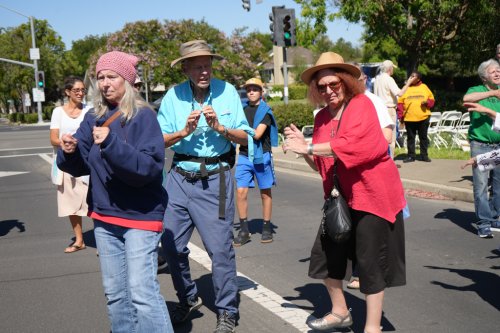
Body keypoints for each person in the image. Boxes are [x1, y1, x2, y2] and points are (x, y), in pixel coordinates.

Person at [283, 52, 406, 333]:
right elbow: (321, 165)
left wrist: (310, 146)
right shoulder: (321, 118)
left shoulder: (361, 105)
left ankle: (372, 327)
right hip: (341, 198)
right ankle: (340, 312)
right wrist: (303, 148)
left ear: (347, 81)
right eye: (322, 87)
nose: (328, 91)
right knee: (326, 256)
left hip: (373, 195)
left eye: (334, 84)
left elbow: (356, 145)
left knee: (371, 263)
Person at [57, 51, 173, 332]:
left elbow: (148, 167)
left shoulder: (143, 116)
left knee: (142, 293)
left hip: (141, 217)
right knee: (116, 295)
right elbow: (82, 164)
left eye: (112, 77)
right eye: (100, 78)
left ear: (128, 81)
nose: (105, 83)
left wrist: (112, 144)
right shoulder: (93, 117)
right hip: (106, 218)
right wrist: (69, 151)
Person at [157, 40, 254, 333]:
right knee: (170, 246)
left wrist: (221, 129)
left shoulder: (227, 93)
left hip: (216, 178)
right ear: (185, 68)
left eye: (207, 65)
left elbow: (247, 138)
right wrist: (182, 132)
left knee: (220, 249)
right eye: (196, 66)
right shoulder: (173, 97)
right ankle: (188, 299)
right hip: (179, 178)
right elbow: (157, 140)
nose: (203, 71)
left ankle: (227, 311)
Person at [233, 77, 278, 246]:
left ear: (261, 92)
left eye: (255, 89)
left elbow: (257, 134)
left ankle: (266, 227)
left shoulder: (265, 111)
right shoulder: (242, 110)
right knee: (240, 192)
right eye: (249, 89)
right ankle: (244, 230)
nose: (251, 92)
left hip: (262, 156)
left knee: (265, 192)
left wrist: (239, 129)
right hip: (244, 156)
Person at [49, 76, 90, 253]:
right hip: (66, 162)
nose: (81, 93)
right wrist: (66, 143)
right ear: (67, 92)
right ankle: (79, 240)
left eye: (83, 90)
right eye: (76, 90)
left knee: (93, 201)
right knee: (70, 203)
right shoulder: (58, 112)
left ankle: (104, 242)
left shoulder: (90, 110)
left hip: (86, 162)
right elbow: (53, 139)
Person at [462, 59, 500, 238]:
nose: (498, 73)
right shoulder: (476, 90)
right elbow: (466, 99)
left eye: (499, 70)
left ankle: (494, 216)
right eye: (493, 71)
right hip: (480, 145)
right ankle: (484, 221)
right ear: (484, 77)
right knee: (481, 185)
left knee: (499, 185)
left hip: (499, 146)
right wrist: (494, 93)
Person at [374, 60, 417, 157]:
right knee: (391, 138)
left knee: (381, 137)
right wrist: (409, 82)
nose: (393, 69)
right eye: (392, 68)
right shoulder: (389, 79)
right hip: (389, 110)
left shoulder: (377, 79)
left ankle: (381, 159)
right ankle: (390, 161)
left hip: (378, 109)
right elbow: (400, 93)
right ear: (390, 69)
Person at [397, 71, 435, 163]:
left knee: (423, 137)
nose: (411, 77)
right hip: (409, 117)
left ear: (418, 79)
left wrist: (427, 103)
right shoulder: (405, 88)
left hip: (423, 117)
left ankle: (424, 156)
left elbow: (432, 100)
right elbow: (400, 103)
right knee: (410, 138)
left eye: (414, 76)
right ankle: (411, 156)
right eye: (411, 75)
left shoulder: (424, 87)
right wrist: (400, 117)